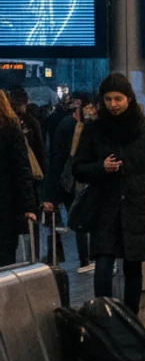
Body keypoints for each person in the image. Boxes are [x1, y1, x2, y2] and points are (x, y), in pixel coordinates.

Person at [73, 74, 145, 311]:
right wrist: (101, 167)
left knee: (133, 267)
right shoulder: (94, 130)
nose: (113, 104)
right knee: (103, 266)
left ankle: (130, 320)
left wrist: (142, 174)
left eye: (118, 99)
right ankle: (105, 316)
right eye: (108, 99)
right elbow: (78, 169)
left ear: (129, 99)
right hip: (105, 205)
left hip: (136, 204)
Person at [43, 93, 94, 267]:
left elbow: (56, 157)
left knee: (77, 216)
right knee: (83, 216)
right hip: (79, 179)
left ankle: (85, 256)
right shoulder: (88, 127)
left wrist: (49, 193)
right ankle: (87, 255)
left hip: (69, 180)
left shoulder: (65, 125)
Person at [0, 91, 38, 267]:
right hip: (7, 207)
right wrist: (28, 206)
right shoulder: (11, 127)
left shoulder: (9, 127)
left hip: (6, 206)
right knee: (5, 261)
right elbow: (22, 169)